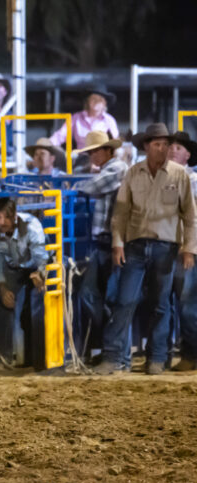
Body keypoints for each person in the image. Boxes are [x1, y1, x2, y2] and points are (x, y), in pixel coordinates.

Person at [95, 123, 197, 375]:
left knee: (161, 304)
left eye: (166, 144)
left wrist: (188, 248)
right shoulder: (132, 173)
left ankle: (157, 358)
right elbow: (120, 213)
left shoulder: (180, 175)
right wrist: (117, 244)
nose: (163, 149)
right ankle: (112, 356)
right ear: (146, 147)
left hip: (167, 247)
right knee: (125, 300)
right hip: (135, 245)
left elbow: (190, 216)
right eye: (157, 144)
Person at [72, 131, 127, 360]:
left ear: (108, 151)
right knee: (91, 295)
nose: (93, 155)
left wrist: (75, 184)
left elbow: (91, 187)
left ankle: (115, 353)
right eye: (91, 152)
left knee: (111, 297)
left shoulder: (118, 169)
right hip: (102, 242)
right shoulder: (109, 170)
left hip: (114, 242)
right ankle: (109, 347)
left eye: (96, 151)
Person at [0, 197, 48, 368]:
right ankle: (1, 359)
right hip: (14, 268)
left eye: (6, 217)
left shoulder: (32, 226)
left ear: (14, 216)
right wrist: (2, 287)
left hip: (35, 268)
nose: (2, 222)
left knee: (36, 307)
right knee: (3, 303)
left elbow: (41, 256)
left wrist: (40, 273)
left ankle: (38, 360)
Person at [167, 131, 197, 371]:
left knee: (186, 304)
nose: (173, 150)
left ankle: (191, 355)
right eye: (171, 147)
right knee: (179, 303)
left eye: (179, 148)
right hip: (173, 247)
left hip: (188, 248)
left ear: (188, 155)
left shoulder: (192, 179)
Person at [50, 86, 120, 149]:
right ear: (88, 101)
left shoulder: (109, 120)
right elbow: (61, 135)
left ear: (105, 103)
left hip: (103, 158)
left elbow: (114, 141)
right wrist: (47, 145)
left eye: (100, 99)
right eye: (93, 99)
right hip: (82, 158)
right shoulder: (76, 118)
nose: (96, 102)